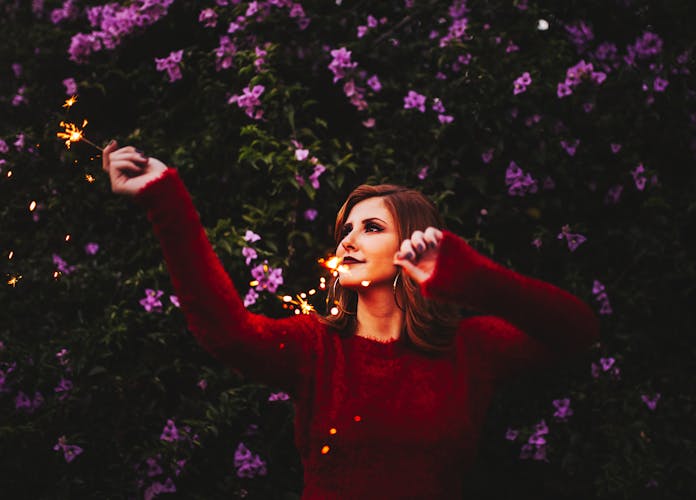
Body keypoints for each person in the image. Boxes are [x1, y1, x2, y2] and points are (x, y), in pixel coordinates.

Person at [102, 140, 599, 499]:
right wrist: (163, 198)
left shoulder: (470, 350)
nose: (348, 241)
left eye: (372, 227)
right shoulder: (315, 347)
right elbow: (225, 331)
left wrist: (474, 278)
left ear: (413, 243)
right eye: (346, 230)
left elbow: (577, 332)